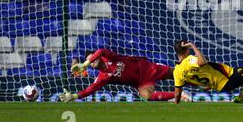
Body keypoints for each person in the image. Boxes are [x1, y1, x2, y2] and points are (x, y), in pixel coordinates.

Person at [59, 48, 190, 102]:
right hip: (142, 82)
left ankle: (204, 80)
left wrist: (85, 64)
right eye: (91, 62)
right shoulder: (103, 77)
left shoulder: (110, 57)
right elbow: (91, 89)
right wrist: (74, 96)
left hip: (148, 68)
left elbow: (101, 51)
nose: (92, 62)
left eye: (92, 59)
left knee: (180, 74)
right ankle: (179, 95)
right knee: (146, 96)